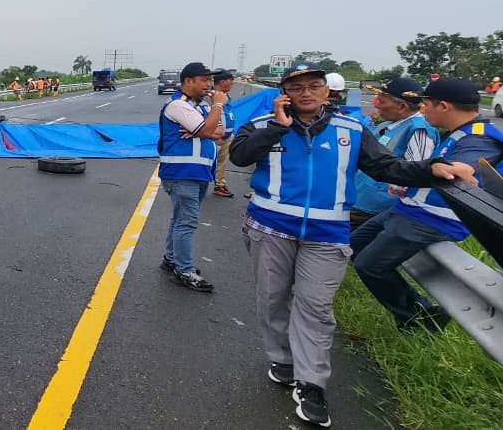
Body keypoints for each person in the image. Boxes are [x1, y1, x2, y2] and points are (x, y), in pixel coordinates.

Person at [229, 63, 474, 428]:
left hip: (327, 235)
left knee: (316, 308)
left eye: (315, 86)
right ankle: (282, 359)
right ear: (285, 93)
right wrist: (278, 128)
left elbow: (387, 167)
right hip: (271, 228)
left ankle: (311, 384)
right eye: (297, 88)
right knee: (273, 298)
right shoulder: (265, 123)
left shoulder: (352, 128)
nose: (306, 93)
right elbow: (239, 156)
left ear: (328, 91)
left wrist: (431, 169)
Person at [352, 78, 502, 332]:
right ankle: (420, 311)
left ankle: (419, 318)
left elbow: (465, 166)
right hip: (408, 209)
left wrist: (458, 169)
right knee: (354, 245)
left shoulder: (479, 138)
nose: (423, 110)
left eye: (425, 105)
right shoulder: (459, 132)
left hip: (431, 219)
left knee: (369, 265)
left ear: (443, 106)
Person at [157, 61, 226, 292]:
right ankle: (184, 269)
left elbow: (219, 133)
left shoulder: (199, 108)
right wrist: (216, 107)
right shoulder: (178, 105)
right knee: (187, 221)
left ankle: (171, 258)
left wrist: (204, 129)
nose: (209, 84)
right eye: (204, 80)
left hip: (199, 171)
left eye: (210, 80)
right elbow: (208, 131)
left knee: (179, 219)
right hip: (182, 172)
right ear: (188, 82)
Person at [350, 78, 438, 230]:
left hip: (376, 208)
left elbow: (416, 171)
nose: (376, 105)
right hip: (360, 200)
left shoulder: (418, 129)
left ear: (402, 106)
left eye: (382, 102)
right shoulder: (387, 125)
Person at [211, 70, 237, 198]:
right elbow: (209, 114)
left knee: (222, 162)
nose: (233, 83)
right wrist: (216, 133)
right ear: (223, 81)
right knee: (212, 162)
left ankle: (220, 185)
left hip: (227, 136)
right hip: (216, 137)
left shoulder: (226, 95)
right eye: (231, 80)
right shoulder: (211, 95)